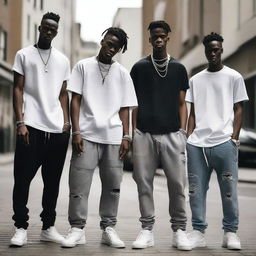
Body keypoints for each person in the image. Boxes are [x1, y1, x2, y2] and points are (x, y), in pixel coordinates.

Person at [61, 27, 137, 248]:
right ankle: (77, 229)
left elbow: (125, 109)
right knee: (78, 186)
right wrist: (76, 131)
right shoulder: (83, 66)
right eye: (108, 42)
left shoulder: (123, 73)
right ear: (102, 40)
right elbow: (74, 100)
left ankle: (108, 228)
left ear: (120, 49)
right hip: (86, 135)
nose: (109, 48)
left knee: (113, 186)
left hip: (113, 138)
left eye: (115, 46)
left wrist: (127, 136)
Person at [10, 12, 70, 247]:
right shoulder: (24, 54)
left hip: (56, 130)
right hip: (31, 127)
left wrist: (66, 123)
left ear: (56, 32)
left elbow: (63, 93)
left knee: (52, 182)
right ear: (39, 27)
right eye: (45, 27)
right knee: (22, 179)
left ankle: (48, 226)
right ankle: (20, 227)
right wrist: (20, 122)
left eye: (52, 28)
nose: (48, 31)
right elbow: (17, 89)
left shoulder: (63, 60)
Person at [130, 20, 191, 251]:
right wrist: (133, 132)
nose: (158, 39)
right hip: (143, 134)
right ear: (149, 39)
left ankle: (179, 231)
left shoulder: (178, 68)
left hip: (173, 135)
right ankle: (147, 230)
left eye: (162, 36)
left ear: (167, 38)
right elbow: (132, 104)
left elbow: (182, 103)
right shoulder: (139, 68)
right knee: (143, 184)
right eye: (154, 36)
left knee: (177, 185)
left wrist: (183, 132)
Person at [185, 32, 248, 250]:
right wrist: (188, 137)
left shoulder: (234, 77)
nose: (213, 53)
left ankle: (230, 233)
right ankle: (198, 232)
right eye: (209, 50)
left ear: (221, 50)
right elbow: (192, 112)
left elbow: (239, 108)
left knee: (229, 191)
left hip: (224, 142)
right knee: (195, 190)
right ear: (205, 51)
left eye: (216, 50)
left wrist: (234, 138)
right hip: (197, 145)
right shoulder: (195, 79)